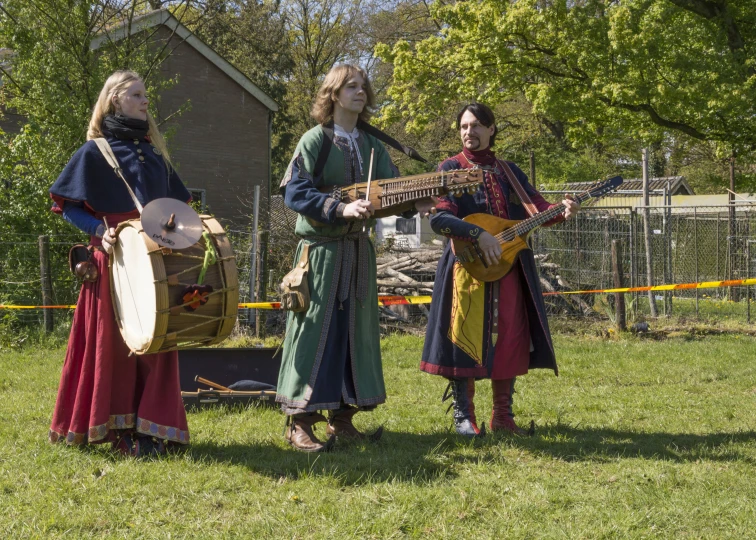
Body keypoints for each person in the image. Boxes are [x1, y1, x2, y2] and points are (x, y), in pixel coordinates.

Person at [277, 64, 434, 452]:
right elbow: (294, 192)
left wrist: (416, 201)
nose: (360, 92)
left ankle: (342, 420)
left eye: (363, 86)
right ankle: (299, 422)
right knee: (314, 334)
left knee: (354, 335)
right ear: (333, 93)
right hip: (321, 254)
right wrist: (337, 208)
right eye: (351, 86)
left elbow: (389, 192)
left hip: (358, 255)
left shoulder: (372, 145)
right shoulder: (314, 140)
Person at [48, 70, 192, 456]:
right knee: (113, 349)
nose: (146, 101)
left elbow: (178, 208)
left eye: (146, 95)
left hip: (157, 261)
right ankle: (114, 431)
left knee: (159, 344)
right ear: (115, 100)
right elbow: (69, 207)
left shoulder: (157, 156)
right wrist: (99, 229)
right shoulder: (94, 152)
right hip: (112, 260)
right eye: (137, 94)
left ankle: (155, 430)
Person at [421, 102, 580, 437]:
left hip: (508, 266)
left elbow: (538, 209)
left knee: (509, 337)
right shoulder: (450, 167)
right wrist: (477, 233)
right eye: (464, 126)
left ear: (492, 129)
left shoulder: (509, 172)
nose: (469, 132)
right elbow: (440, 216)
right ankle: (465, 418)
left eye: (476, 125)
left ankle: (503, 418)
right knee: (464, 336)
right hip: (467, 266)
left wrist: (563, 210)